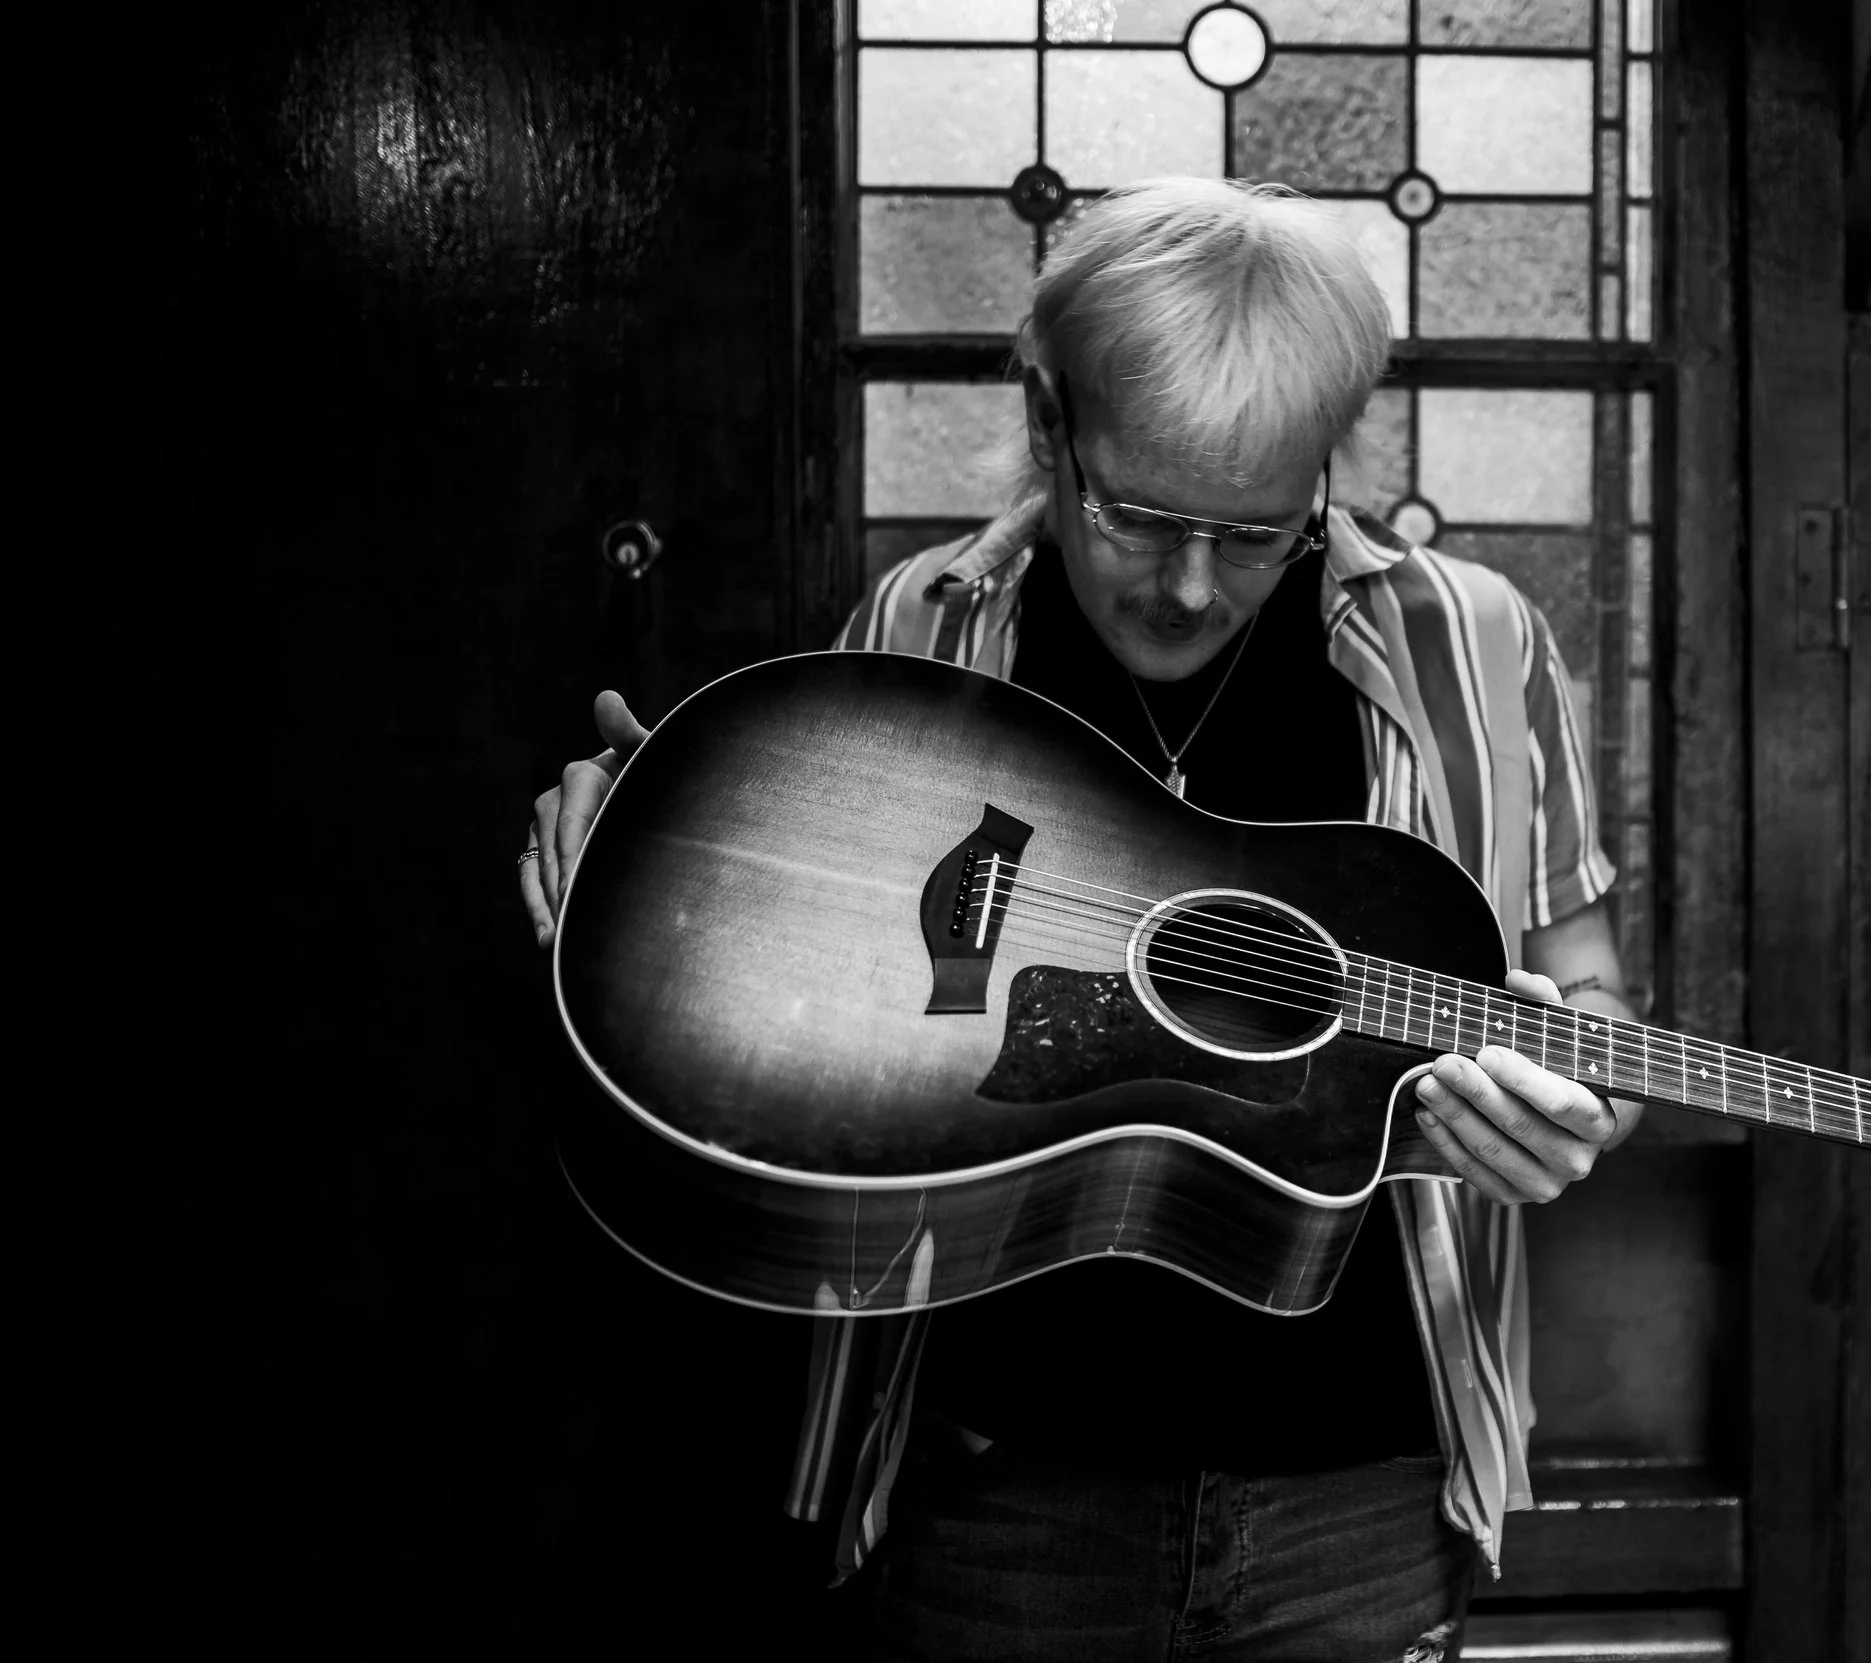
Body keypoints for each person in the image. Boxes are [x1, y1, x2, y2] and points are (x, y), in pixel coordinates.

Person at [518, 177, 1644, 1662]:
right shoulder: (926, 626)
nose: (1188, 588)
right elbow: (801, 1005)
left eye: (1253, 533)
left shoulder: (1479, 643)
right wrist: (642, 862)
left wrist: (1575, 1103)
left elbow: (1593, 1008)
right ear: (1049, 421)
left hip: (1356, 1494)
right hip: (1000, 1490)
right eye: (1140, 516)